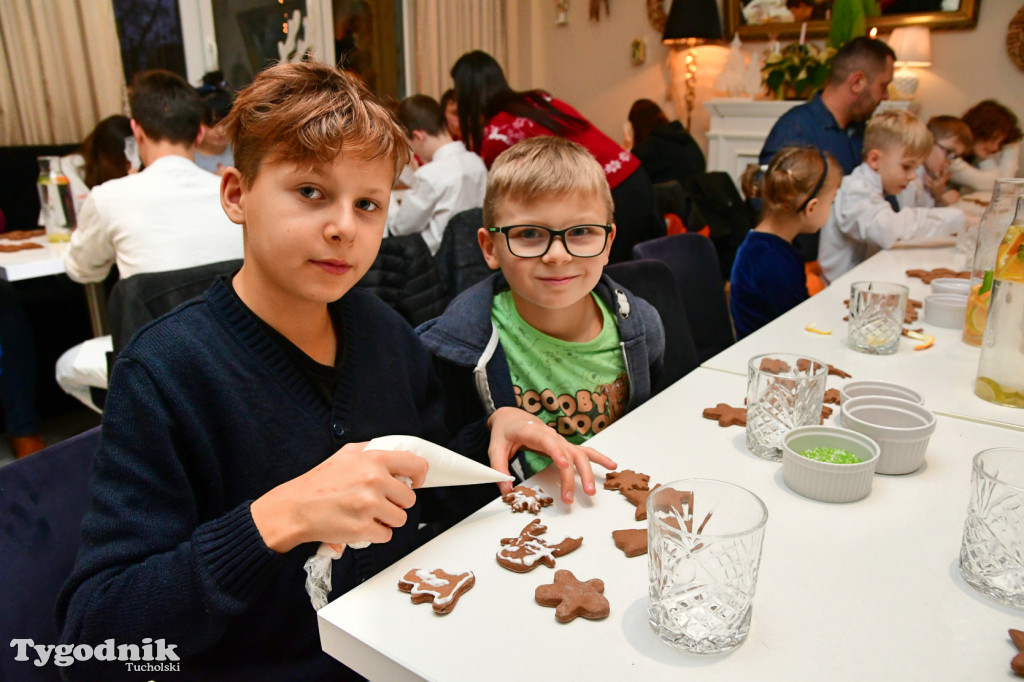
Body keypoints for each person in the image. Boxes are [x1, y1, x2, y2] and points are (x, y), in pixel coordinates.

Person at [57, 62, 613, 680]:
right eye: (311, 192)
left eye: (368, 203)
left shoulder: (382, 333)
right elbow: (91, 639)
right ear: (237, 195)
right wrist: (277, 518)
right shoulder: (166, 373)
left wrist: (487, 440)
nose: (344, 227)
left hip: (406, 649)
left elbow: (421, 475)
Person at [418, 136, 664, 482]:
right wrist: (488, 430)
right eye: (530, 234)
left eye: (580, 231)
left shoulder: (643, 329)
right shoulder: (454, 352)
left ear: (608, 243)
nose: (557, 255)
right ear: (490, 248)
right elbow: (438, 474)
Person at [58, 70, 243, 411]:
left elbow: (82, 271)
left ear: (136, 131)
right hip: (238, 355)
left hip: (157, 366)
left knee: (66, 368)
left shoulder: (109, 196)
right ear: (199, 132)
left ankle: (138, 431)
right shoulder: (234, 196)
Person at [451, 50, 663, 263]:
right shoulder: (538, 99)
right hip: (635, 175)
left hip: (612, 192)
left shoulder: (497, 135)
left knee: (610, 278)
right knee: (646, 273)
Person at [818, 109, 966, 283]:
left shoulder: (877, 188)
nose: (912, 176)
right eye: (906, 167)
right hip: (837, 292)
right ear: (875, 160)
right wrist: (958, 217)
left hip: (863, 283)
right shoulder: (854, 190)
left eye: (915, 168)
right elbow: (889, 230)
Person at [731, 147, 841, 339]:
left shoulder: (771, 247)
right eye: (831, 202)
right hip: (766, 357)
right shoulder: (770, 261)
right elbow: (798, 327)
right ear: (812, 207)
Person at [760, 36, 896, 175]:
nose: (886, 96)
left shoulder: (862, 132)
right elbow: (767, 194)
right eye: (883, 86)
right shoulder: (795, 129)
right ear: (856, 82)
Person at [387, 94, 487, 255]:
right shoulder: (476, 163)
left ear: (419, 137)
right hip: (475, 255)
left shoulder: (430, 175)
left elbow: (400, 227)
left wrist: (385, 191)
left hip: (438, 262)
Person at [626, 98, 706, 189]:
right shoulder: (685, 138)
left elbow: (633, 184)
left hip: (669, 200)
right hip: (694, 198)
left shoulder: (646, 150)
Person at [897, 115, 973, 209]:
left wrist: (938, 196)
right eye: (948, 151)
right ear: (929, 141)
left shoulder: (930, 175)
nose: (949, 162)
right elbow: (910, 220)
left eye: (955, 157)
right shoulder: (911, 179)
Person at [948, 99, 1022, 194]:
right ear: (979, 130)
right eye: (993, 138)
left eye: (1000, 142)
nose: (995, 148)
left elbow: (1003, 185)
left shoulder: (971, 153)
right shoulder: (950, 154)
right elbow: (1000, 187)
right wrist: (986, 159)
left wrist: (1012, 144)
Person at [195, 83, 235, 176]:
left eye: (226, 123)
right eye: (213, 124)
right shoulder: (189, 157)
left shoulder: (239, 150)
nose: (221, 131)